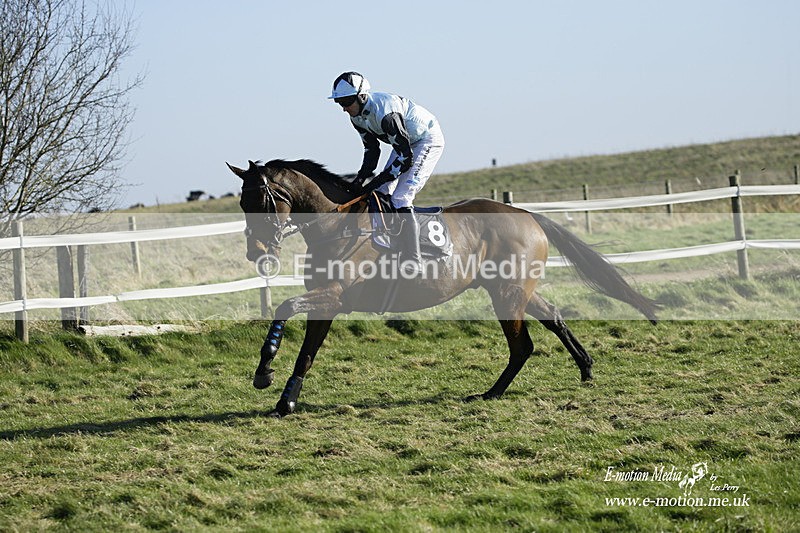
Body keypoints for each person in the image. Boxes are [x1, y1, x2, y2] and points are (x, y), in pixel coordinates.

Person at [329, 71, 444, 274]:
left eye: (346, 102)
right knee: (381, 193)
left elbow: (406, 158)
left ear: (361, 96)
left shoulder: (386, 114)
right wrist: (361, 178)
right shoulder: (357, 117)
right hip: (405, 144)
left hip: (426, 140)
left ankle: (413, 259)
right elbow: (371, 151)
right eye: (340, 103)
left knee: (401, 197)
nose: (344, 109)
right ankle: (389, 245)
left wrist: (379, 178)